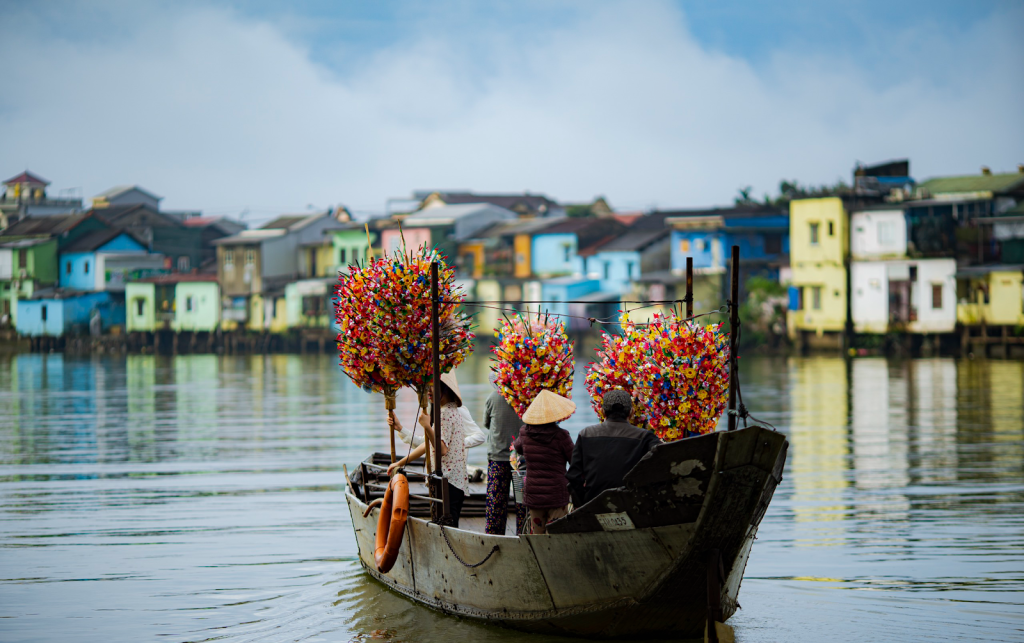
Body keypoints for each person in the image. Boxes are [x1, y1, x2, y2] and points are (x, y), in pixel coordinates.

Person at [387, 372, 469, 527]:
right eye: (428, 388)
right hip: (454, 482)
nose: (429, 392)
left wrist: (426, 426)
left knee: (448, 529)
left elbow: (442, 449)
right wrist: (400, 462)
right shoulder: (449, 410)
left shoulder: (444, 414)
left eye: (432, 387)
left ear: (445, 389)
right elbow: (429, 445)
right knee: (449, 526)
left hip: (448, 481)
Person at [567, 389, 661, 507]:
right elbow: (661, 463)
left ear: (602, 412)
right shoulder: (645, 437)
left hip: (593, 504)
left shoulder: (586, 434)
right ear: (631, 412)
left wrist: (584, 505)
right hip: (633, 505)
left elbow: (574, 477)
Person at [513, 390, 575, 535]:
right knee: (557, 535)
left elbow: (518, 448)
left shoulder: (524, 432)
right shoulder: (561, 436)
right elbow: (574, 460)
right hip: (556, 494)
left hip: (534, 493)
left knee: (537, 535)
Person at [481, 373, 527, 535]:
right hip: (522, 460)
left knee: (496, 503)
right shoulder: (525, 398)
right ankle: (524, 535)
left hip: (498, 458)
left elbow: (487, 424)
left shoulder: (492, 398)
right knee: (523, 504)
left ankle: (494, 536)